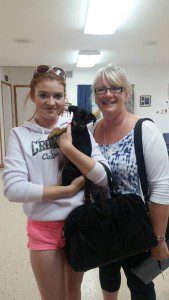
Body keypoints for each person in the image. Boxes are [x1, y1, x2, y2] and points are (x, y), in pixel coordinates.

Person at [3, 65, 109, 300]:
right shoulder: (20, 135)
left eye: (57, 95)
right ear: (32, 96)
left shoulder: (78, 129)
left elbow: (102, 177)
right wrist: (67, 190)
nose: (51, 102)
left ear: (65, 97)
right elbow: (13, 189)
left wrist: (69, 148)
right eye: (43, 95)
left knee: (74, 293)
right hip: (44, 228)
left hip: (78, 224)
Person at [88, 63, 169, 300]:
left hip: (138, 228)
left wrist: (159, 238)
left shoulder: (145, 130)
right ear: (95, 96)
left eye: (115, 88)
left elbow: (162, 189)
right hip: (103, 225)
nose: (108, 94)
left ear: (126, 93)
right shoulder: (90, 131)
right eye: (101, 90)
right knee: (108, 275)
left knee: (141, 285)